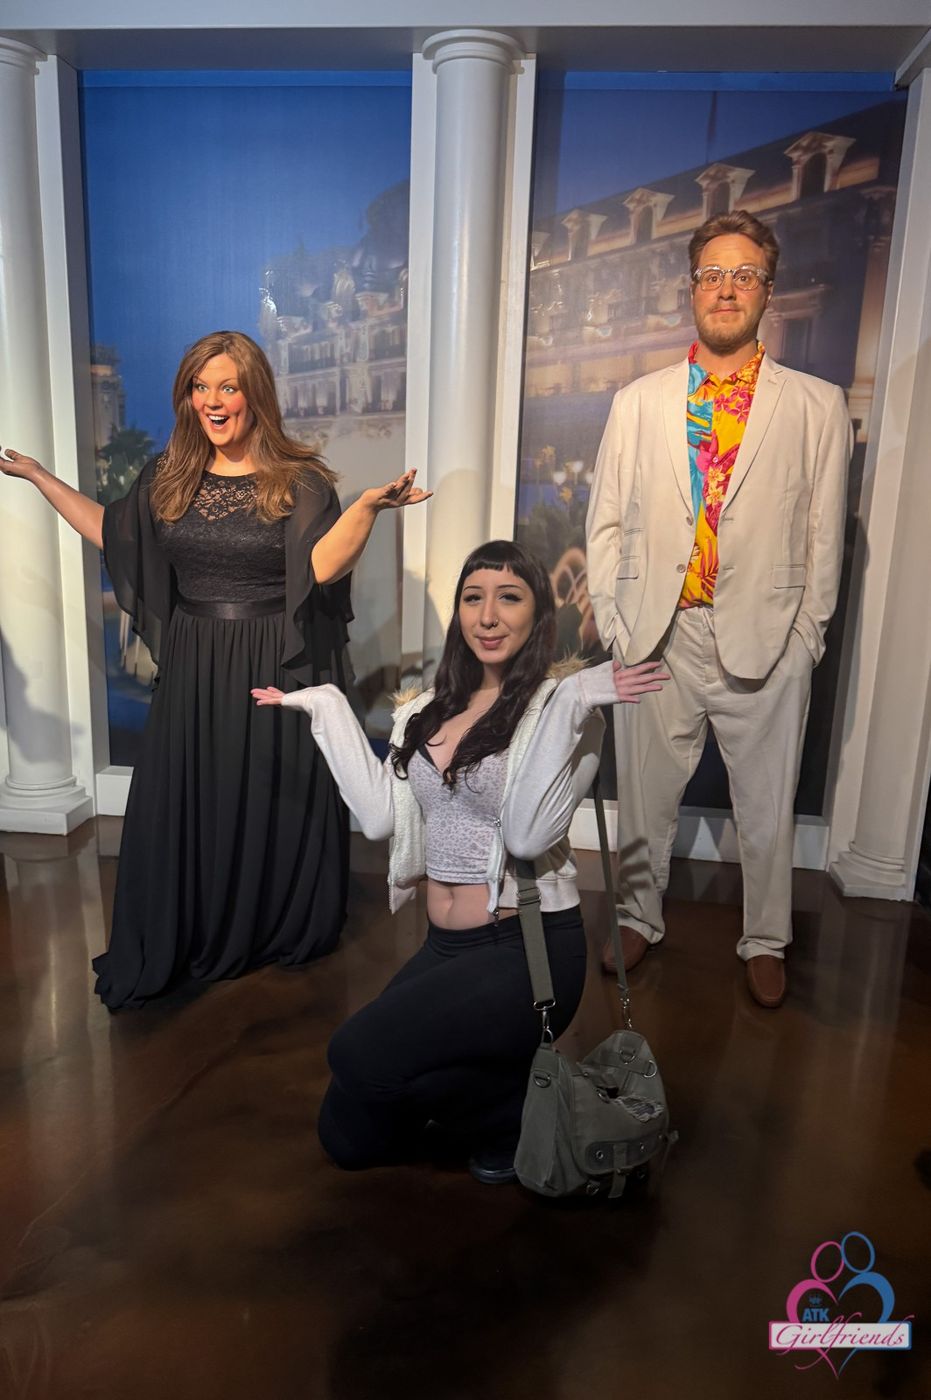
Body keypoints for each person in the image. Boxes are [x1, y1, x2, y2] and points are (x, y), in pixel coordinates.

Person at [0, 329, 429, 1009]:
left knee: (266, 795)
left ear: (254, 393)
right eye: (200, 387)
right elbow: (113, 534)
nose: (213, 400)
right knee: (194, 796)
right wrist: (39, 477)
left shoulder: (300, 480)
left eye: (227, 386)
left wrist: (369, 508)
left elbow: (319, 567)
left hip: (270, 659)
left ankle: (266, 922)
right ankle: (197, 920)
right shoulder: (168, 475)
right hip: (195, 661)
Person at [253, 540, 665, 1183]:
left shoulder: (568, 712)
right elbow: (381, 818)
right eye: (474, 598)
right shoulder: (424, 711)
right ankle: (501, 1094)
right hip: (445, 947)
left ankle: (505, 1117)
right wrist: (327, 705)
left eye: (510, 598)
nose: (488, 616)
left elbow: (526, 835)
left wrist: (571, 700)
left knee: (355, 1053)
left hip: (526, 950)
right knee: (346, 1136)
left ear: (538, 614)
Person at [585, 210, 853, 1010]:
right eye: (711, 274)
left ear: (766, 290)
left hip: (766, 636)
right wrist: (618, 622)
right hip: (656, 632)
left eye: (743, 275)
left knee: (766, 807)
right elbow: (605, 521)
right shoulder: (637, 401)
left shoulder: (815, 405)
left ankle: (766, 938)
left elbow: (825, 534)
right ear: (691, 289)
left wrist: (806, 637)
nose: (725, 289)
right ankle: (636, 915)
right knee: (643, 798)